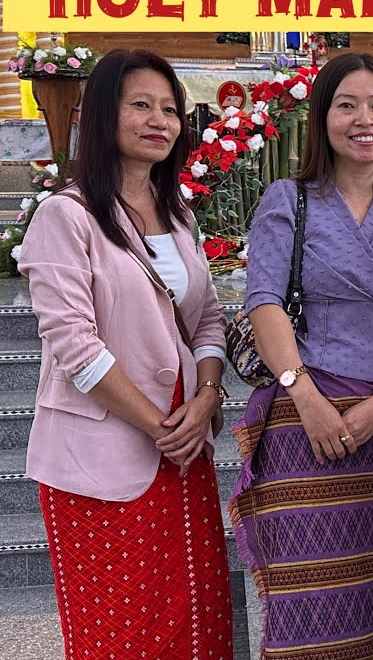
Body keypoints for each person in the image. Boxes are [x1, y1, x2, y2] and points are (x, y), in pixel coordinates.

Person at [228, 52, 373, 660]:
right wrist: (303, 394)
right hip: (305, 422)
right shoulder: (289, 200)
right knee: (308, 596)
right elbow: (264, 301)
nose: (364, 119)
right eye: (346, 105)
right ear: (322, 118)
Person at [19, 49, 232, 658]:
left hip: (183, 449)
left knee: (191, 615)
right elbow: (72, 345)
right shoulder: (67, 215)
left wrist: (209, 395)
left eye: (169, 109)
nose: (158, 120)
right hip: (106, 456)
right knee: (120, 628)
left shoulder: (178, 215)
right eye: (140, 104)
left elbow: (208, 320)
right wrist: (160, 425)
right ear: (102, 115)